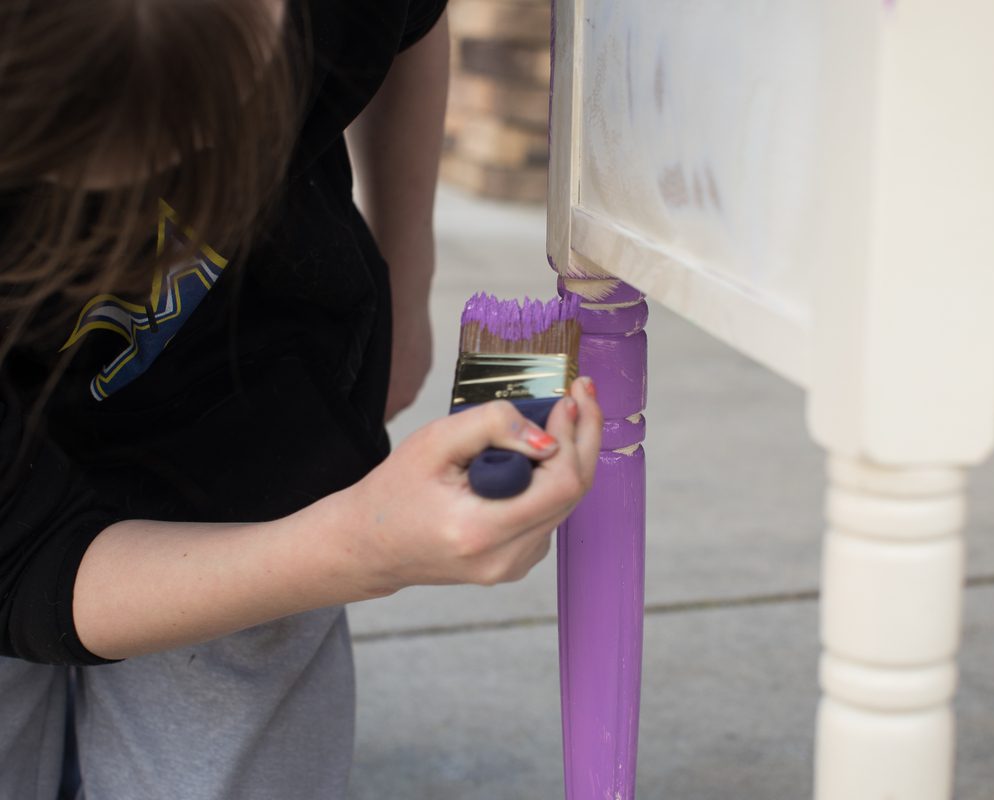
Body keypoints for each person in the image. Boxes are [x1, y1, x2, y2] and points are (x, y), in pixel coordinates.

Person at [0, 2, 601, 798]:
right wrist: (359, 550)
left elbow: (405, 24)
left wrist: (404, 271)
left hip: (256, 433)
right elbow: (22, 566)